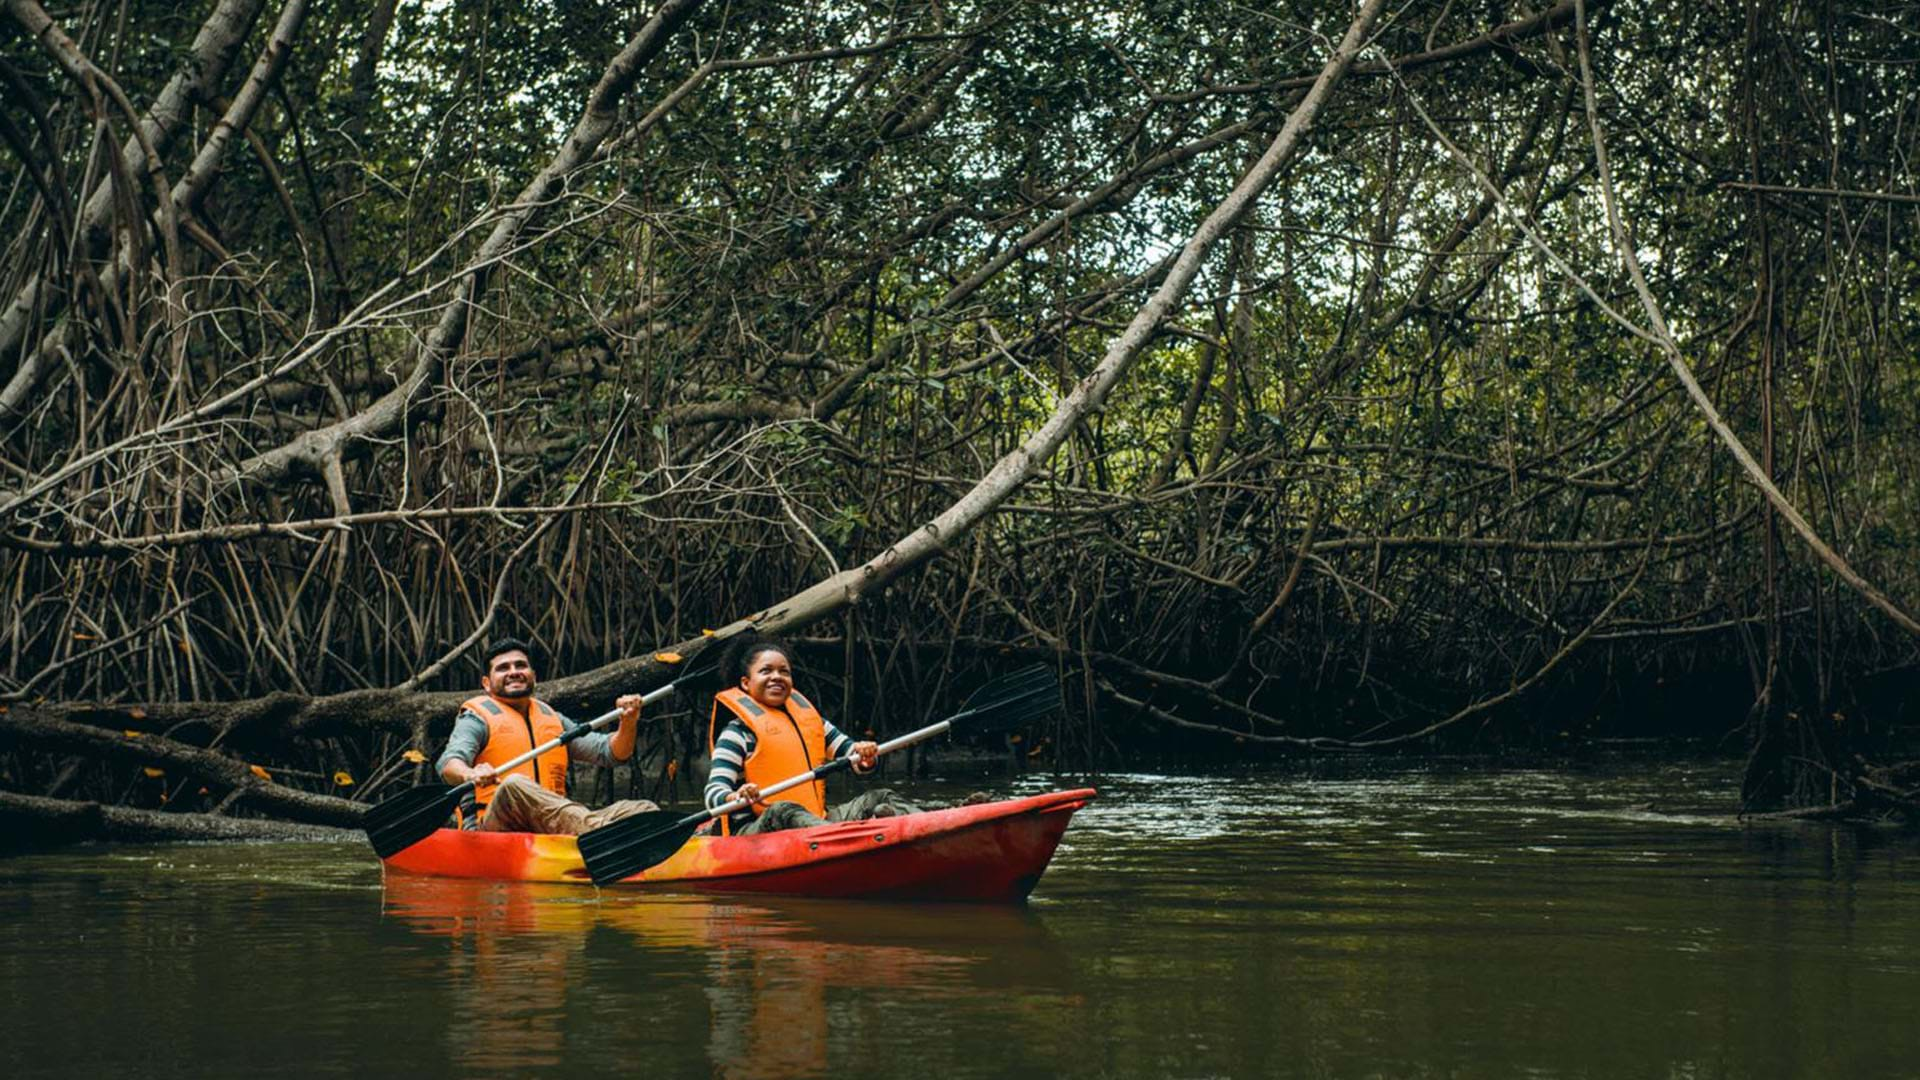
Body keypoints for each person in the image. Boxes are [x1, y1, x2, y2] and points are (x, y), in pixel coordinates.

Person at [436, 636, 660, 834]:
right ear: (486, 683)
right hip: (493, 826)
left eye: (520, 665)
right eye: (503, 668)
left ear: (533, 676)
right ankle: (599, 832)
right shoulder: (477, 718)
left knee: (643, 810)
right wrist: (470, 774)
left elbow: (610, 752)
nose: (513, 671)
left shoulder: (553, 718)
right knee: (514, 785)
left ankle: (608, 830)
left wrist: (628, 721)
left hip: (552, 823)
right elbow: (448, 763)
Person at [705, 637, 919, 835]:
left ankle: (931, 824)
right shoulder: (737, 733)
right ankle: (841, 838)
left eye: (784, 672)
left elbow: (854, 757)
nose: (776, 677)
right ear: (745, 683)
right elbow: (713, 793)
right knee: (782, 810)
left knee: (879, 796)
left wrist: (866, 755)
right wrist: (735, 796)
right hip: (755, 829)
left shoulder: (811, 722)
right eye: (766, 671)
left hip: (814, 820)